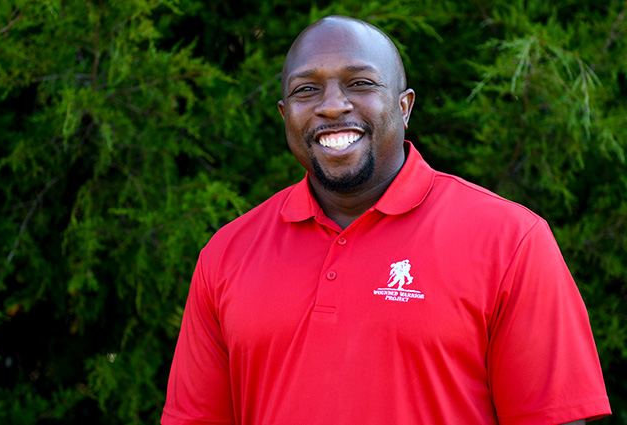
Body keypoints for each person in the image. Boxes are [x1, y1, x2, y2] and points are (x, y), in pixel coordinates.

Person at [161, 15, 611, 424]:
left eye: (360, 83)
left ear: (404, 106)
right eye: (306, 90)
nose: (332, 106)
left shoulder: (511, 240)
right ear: (285, 116)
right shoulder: (226, 254)